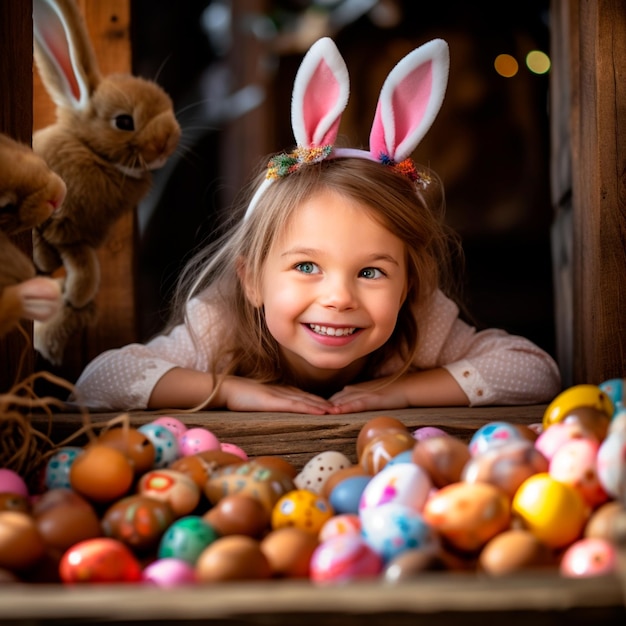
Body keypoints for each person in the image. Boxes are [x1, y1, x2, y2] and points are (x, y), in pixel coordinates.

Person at [71, 37, 561, 414]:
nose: (339, 297)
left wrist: (405, 393)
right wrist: (230, 394)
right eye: (307, 265)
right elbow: (99, 382)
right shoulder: (222, 326)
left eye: (371, 272)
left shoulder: (421, 326)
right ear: (252, 280)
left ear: (408, 284)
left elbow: (535, 372)